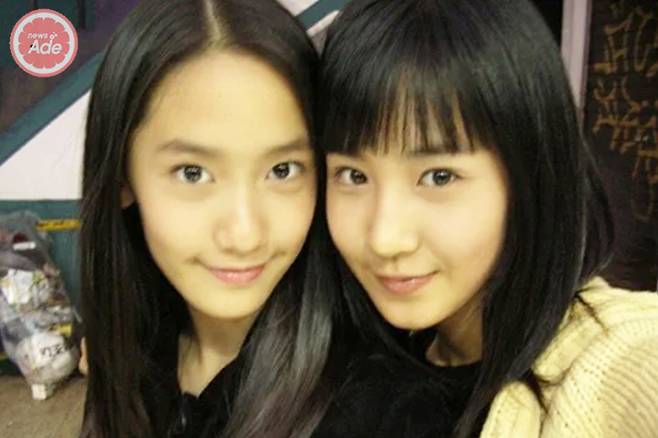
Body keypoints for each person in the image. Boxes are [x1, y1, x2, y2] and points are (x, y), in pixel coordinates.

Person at [317, 0, 658, 436]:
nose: (385, 238)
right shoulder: (374, 356)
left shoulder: (611, 359)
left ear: (530, 176)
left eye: (439, 177)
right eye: (353, 175)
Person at [79, 0, 339, 436]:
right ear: (122, 177)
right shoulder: (130, 357)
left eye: (282, 170)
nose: (244, 235)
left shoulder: (380, 409)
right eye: (193, 173)